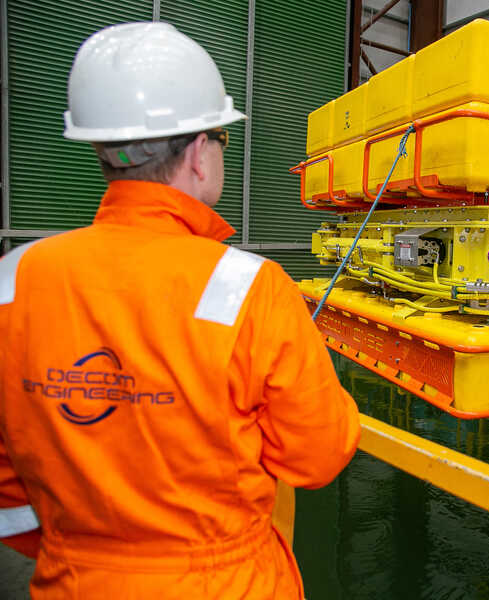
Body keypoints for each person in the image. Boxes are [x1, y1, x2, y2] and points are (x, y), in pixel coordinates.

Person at [0, 22, 359, 599]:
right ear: (198, 153)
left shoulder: (12, 281)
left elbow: (7, 485)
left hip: (71, 581)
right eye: (220, 138)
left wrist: (87, 554)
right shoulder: (250, 289)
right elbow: (317, 456)